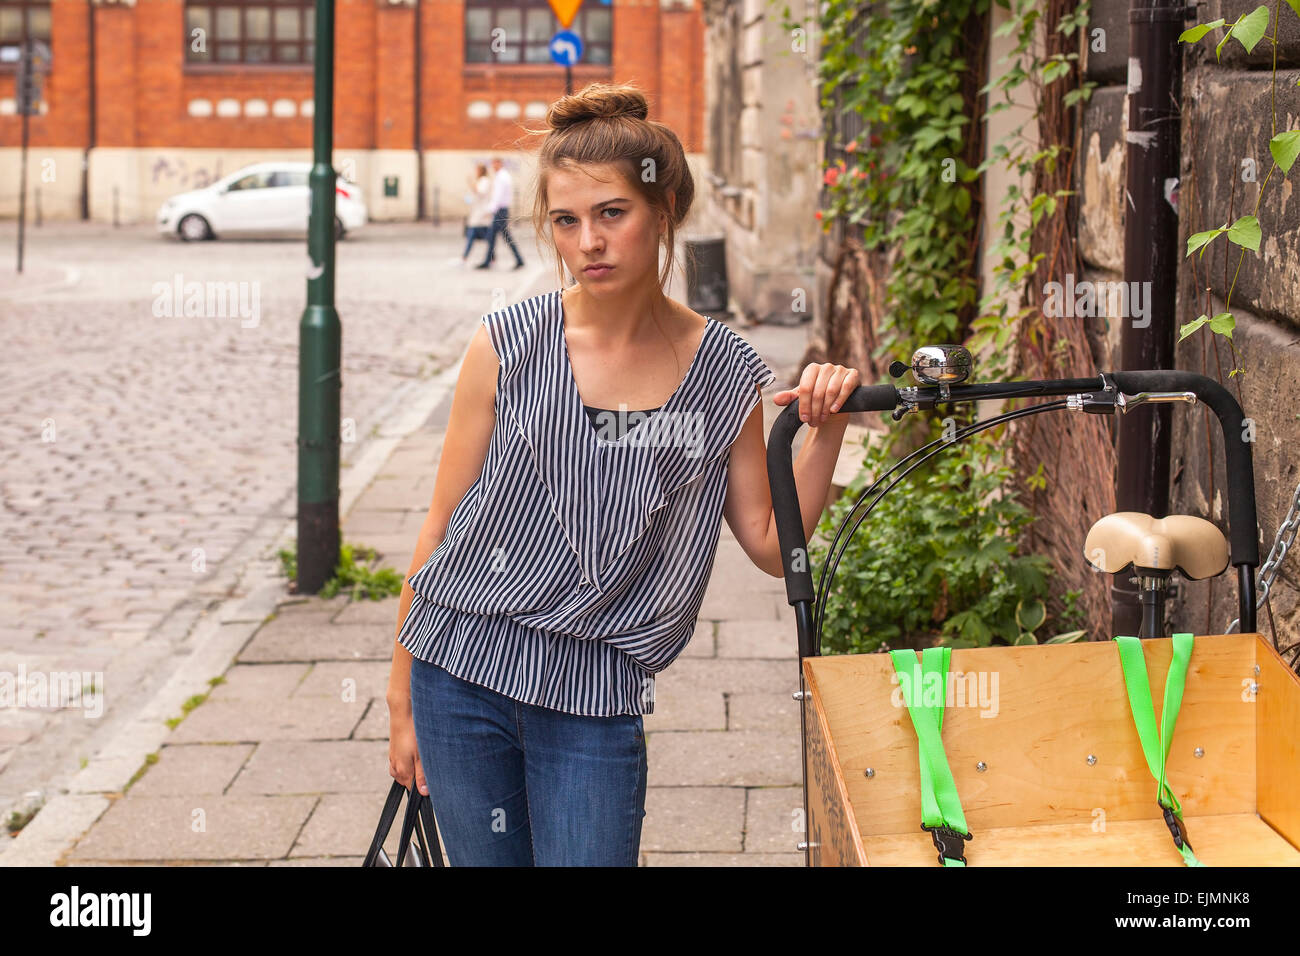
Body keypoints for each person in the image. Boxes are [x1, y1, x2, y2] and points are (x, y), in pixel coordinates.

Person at [386, 81, 860, 866]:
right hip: (457, 675)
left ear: (664, 209)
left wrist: (828, 428)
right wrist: (401, 695)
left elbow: (775, 546)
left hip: (593, 701)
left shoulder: (724, 370)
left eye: (612, 214)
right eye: (567, 221)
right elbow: (440, 527)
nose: (588, 243)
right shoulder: (506, 343)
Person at [474, 156, 526, 270]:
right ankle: (490, 260)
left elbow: (498, 197)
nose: (493, 166)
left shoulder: (501, 177)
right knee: (494, 236)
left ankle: (516, 260)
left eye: (495, 164)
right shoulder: (502, 176)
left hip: (500, 211)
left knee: (501, 236)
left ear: (500, 164)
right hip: (501, 210)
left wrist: (490, 210)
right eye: (492, 164)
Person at [461, 163, 493, 264]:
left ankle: (464, 258)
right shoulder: (479, 181)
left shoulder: (485, 181)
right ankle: (492, 257)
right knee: (485, 237)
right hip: (476, 214)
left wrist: (471, 183)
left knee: (476, 236)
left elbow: (480, 192)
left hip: (481, 214)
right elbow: (471, 197)